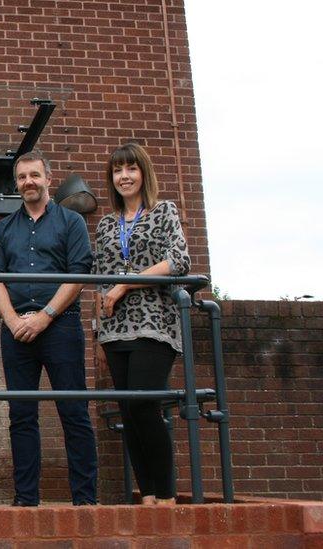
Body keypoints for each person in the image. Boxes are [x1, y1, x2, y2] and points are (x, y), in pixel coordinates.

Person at [0, 149, 98, 507]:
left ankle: (85, 500)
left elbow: (79, 273)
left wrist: (45, 315)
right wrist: (14, 320)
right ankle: (26, 500)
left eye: (34, 175)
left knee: (74, 412)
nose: (28, 183)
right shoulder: (3, 229)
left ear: (48, 178)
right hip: (16, 330)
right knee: (21, 416)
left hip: (61, 326)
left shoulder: (71, 222)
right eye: (21, 177)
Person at [93, 143, 190, 505]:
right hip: (115, 329)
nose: (124, 176)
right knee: (128, 411)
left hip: (155, 323)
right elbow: (99, 278)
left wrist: (124, 284)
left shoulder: (164, 211)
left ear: (143, 173)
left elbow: (177, 260)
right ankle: (146, 493)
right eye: (118, 171)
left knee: (145, 404)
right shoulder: (105, 225)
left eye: (131, 169)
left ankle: (165, 493)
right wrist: (96, 332)